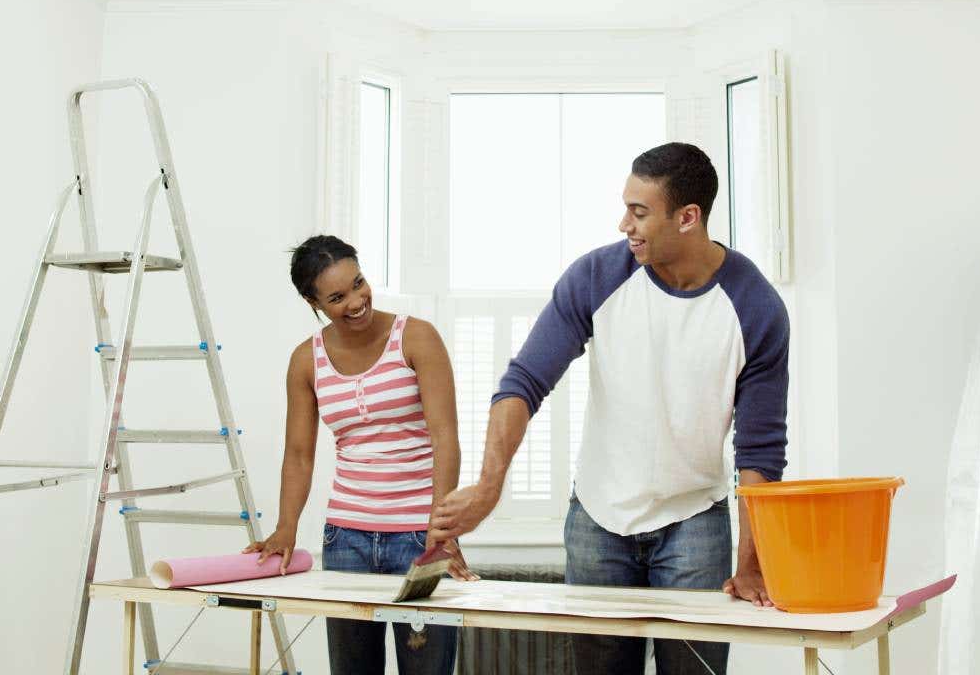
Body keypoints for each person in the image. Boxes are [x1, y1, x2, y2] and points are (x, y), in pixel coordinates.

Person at [430, 143, 790, 674]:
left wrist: (752, 563)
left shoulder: (755, 307)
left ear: (688, 217)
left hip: (694, 523)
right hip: (598, 521)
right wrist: (488, 489)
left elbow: (760, 449)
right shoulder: (598, 277)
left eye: (639, 212)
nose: (625, 224)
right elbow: (524, 383)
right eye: (626, 208)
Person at [246, 235, 474, 675]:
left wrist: (442, 528)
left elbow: (447, 437)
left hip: (418, 538)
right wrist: (285, 528)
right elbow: (298, 455)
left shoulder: (416, 337)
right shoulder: (305, 361)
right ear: (312, 302)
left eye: (359, 283)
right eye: (336, 297)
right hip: (346, 541)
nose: (356, 301)